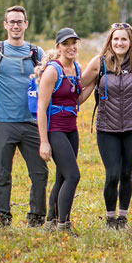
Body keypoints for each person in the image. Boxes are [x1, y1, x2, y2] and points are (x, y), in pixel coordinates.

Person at [0, 6, 48, 228]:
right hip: (4, 122)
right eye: (12, 22)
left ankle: (36, 217)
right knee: (1, 173)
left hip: (31, 122)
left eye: (20, 21)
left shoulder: (36, 52)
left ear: (26, 24)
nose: (16, 25)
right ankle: (3, 217)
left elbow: (51, 74)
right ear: (5, 25)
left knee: (39, 172)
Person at [81, 23, 132, 230]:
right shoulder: (99, 63)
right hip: (106, 127)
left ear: (130, 42)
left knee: (127, 173)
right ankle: (110, 218)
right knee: (112, 174)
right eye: (116, 39)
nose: (119, 43)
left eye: (124, 39)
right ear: (110, 41)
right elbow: (79, 85)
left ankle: (123, 217)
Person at [36, 28, 94, 234]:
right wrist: (44, 142)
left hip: (71, 129)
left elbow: (75, 100)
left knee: (62, 177)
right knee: (73, 176)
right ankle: (64, 224)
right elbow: (41, 108)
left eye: (74, 43)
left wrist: (93, 82)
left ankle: (50, 222)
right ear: (58, 46)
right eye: (66, 43)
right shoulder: (53, 70)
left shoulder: (76, 68)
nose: (71, 47)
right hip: (55, 130)